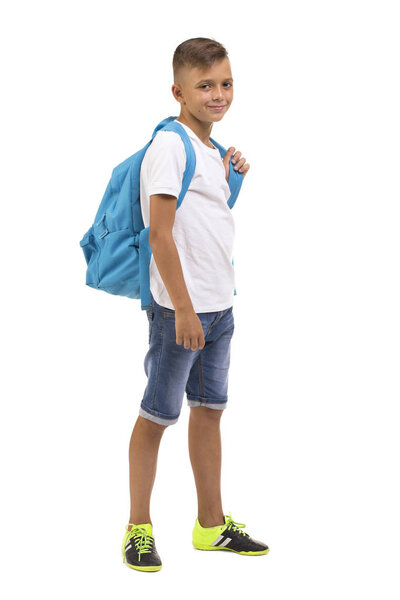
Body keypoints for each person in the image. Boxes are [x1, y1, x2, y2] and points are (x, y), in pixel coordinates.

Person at [121, 37, 269, 572]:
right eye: (205, 85)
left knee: (209, 413)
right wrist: (182, 309)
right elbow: (161, 236)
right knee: (156, 416)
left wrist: (233, 182)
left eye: (225, 83)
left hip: (219, 309)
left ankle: (211, 526)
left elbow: (203, 222)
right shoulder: (171, 145)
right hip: (178, 312)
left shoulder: (209, 149)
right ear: (178, 90)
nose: (218, 94)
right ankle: (138, 527)